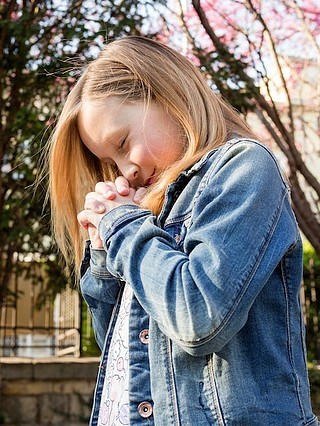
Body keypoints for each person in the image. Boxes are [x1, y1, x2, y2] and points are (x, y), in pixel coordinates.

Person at [47, 36, 318, 425]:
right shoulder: (149, 212)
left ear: (166, 93)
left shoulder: (244, 169)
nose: (126, 171)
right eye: (111, 161)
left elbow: (198, 318)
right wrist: (105, 255)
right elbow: (124, 350)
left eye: (123, 143)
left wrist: (124, 228)